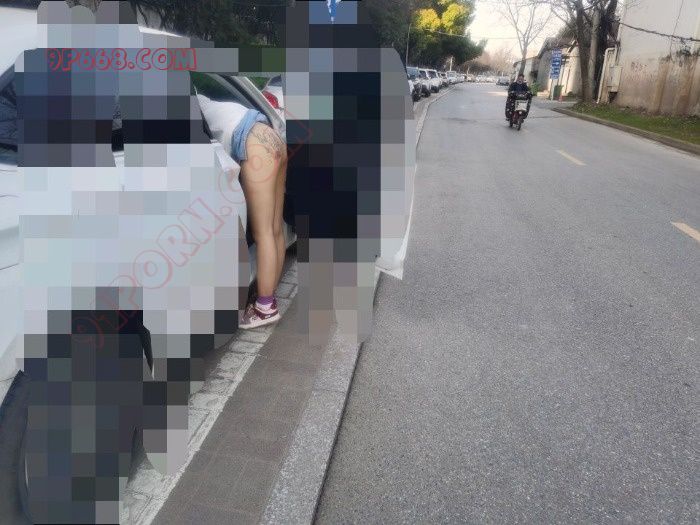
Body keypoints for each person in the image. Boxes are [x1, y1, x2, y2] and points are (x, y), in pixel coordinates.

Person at [197, 95, 288, 329]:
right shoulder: (203, 98)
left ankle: (265, 307)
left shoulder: (186, 102)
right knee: (275, 229)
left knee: (263, 232)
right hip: (271, 137)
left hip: (254, 144)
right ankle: (267, 296)